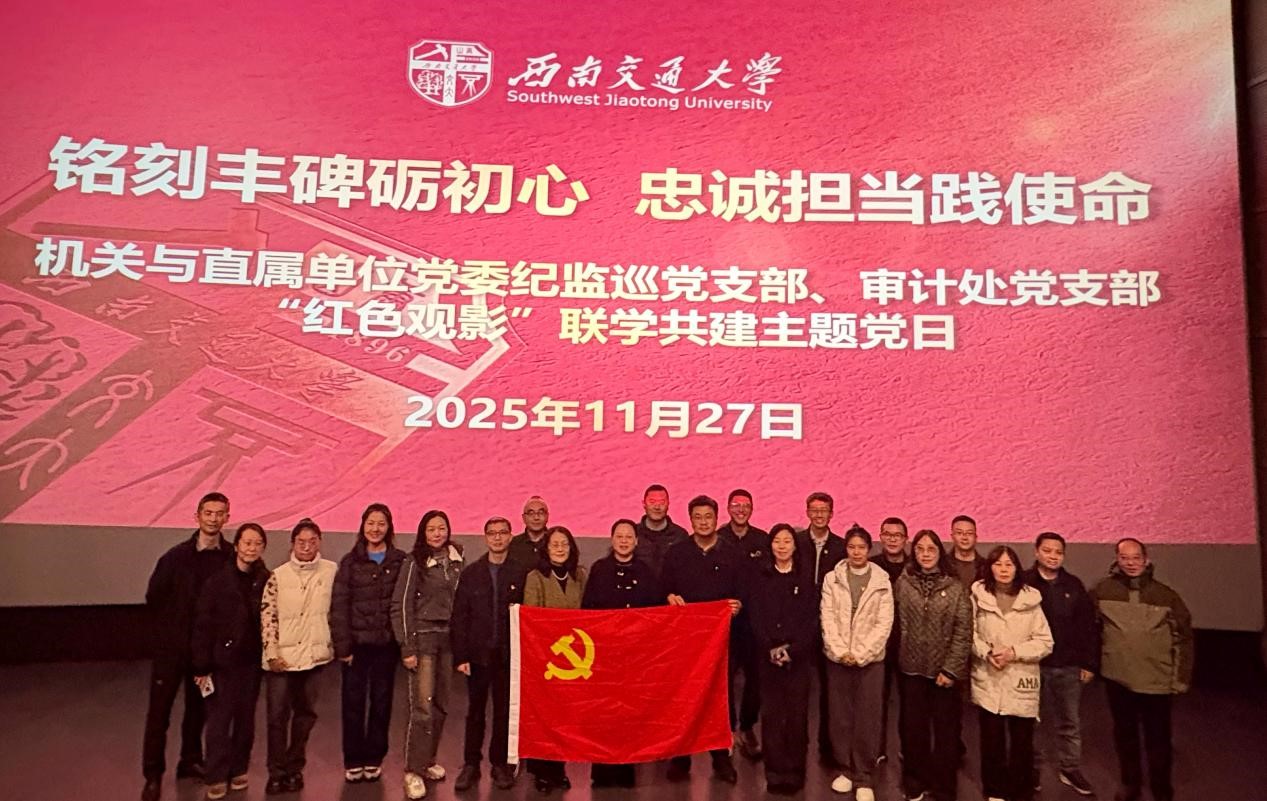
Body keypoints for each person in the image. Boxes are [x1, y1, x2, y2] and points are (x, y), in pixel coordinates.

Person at [141, 491, 235, 801]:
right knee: (159, 714)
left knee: (198, 711)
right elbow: (154, 598)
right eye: (208, 513)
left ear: (227, 517)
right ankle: (153, 775)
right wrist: (169, 633)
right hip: (171, 651)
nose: (213, 519)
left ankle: (190, 760)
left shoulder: (231, 557)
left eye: (219, 513)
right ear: (197, 516)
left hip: (205, 654)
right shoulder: (175, 557)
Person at [1091, 538, 1193, 801]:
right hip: (1117, 678)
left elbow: (1183, 637)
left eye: (1136, 557)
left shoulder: (1166, 596)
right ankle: (1130, 783)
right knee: (1125, 735)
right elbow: (1089, 628)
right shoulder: (1102, 591)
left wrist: (1180, 678)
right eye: (1124, 558)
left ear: (1146, 560)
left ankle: (1161, 788)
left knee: (1158, 738)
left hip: (1156, 680)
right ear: (1117, 560)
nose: (1131, 563)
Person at [660, 494, 745, 784]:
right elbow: (663, 589)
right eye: (698, 517)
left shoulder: (732, 553)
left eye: (708, 517)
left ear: (717, 518)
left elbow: (744, 591)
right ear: (690, 520)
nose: (703, 522)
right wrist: (669, 596)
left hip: (721, 641)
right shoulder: (677, 553)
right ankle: (680, 758)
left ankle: (721, 758)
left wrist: (738, 604)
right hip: (685, 642)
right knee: (684, 697)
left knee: (721, 698)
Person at [191, 523, 270, 800]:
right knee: (219, 720)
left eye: (257, 543)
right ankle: (215, 774)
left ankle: (239, 768)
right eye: (246, 542)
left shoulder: (266, 580)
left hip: (252, 663)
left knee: (246, 720)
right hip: (221, 663)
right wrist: (201, 665)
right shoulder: (217, 582)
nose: (251, 548)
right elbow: (202, 625)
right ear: (236, 546)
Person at [330, 503, 407, 784]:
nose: (376, 529)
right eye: (371, 523)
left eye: (381, 524)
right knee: (352, 703)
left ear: (389, 527)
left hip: (386, 646)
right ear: (363, 526)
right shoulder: (350, 562)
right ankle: (353, 759)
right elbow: (339, 606)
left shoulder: (400, 561)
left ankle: (374, 757)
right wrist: (343, 647)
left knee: (382, 703)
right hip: (356, 647)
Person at [582, 518, 661, 788]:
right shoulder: (599, 569)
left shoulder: (646, 572)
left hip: (635, 655)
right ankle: (602, 771)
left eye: (629, 537)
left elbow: (655, 613)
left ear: (636, 541)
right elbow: (588, 611)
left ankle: (627, 769)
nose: (624, 541)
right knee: (603, 713)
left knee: (629, 713)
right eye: (619, 536)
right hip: (604, 654)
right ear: (612, 539)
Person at [971, 546, 1054, 801]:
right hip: (989, 677)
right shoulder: (978, 596)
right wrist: (987, 652)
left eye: (1009, 564)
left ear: (1017, 568)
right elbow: (969, 632)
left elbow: (1045, 642)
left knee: (1022, 742)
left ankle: (1020, 792)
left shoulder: (1031, 600)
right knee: (991, 740)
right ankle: (994, 791)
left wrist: (1014, 652)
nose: (1004, 570)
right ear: (990, 568)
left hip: (1021, 678)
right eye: (998, 564)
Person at [260, 518, 337, 795]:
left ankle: (295, 768)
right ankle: (276, 772)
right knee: (276, 718)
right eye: (301, 542)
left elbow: (336, 612)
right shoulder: (278, 576)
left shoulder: (331, 571)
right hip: (281, 661)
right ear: (292, 544)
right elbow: (268, 616)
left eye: (312, 541)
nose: (306, 547)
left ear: (319, 542)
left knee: (305, 716)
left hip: (314, 658)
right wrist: (271, 654)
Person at [451, 517, 527, 792]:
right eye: (492, 533)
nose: (497, 538)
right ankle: (471, 764)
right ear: (485, 538)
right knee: (475, 711)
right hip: (477, 656)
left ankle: (500, 764)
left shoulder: (521, 573)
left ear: (510, 536)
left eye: (502, 533)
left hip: (508, 656)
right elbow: (460, 617)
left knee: (504, 711)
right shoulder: (472, 573)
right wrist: (461, 656)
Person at [895, 530, 972, 801]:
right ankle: (915, 782)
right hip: (911, 669)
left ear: (940, 552)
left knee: (945, 733)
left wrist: (950, 669)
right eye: (920, 549)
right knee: (913, 731)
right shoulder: (903, 583)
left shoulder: (955, 587)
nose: (925, 554)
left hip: (944, 674)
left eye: (931, 549)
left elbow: (963, 631)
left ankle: (943, 787)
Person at [394, 510, 465, 800]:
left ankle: (427, 761)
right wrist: (407, 647)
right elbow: (401, 605)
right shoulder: (414, 562)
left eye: (441, 528)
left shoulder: (458, 560)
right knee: (422, 708)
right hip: (422, 639)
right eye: (432, 529)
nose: (437, 533)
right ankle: (412, 770)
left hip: (448, 640)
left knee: (441, 706)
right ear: (423, 533)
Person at [1023, 532, 1098, 797]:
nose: (1053, 556)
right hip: (1032, 665)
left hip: (1068, 666)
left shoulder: (1073, 585)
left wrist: (1089, 664)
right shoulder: (1024, 583)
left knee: (1069, 722)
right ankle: (1031, 769)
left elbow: (1088, 627)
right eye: (1047, 551)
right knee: (1031, 721)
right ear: (1036, 552)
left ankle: (1070, 768)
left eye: (1058, 552)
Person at [821, 525, 893, 801]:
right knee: (840, 717)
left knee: (867, 718)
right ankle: (846, 770)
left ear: (869, 549)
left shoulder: (881, 580)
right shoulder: (832, 578)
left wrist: (861, 654)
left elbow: (884, 623)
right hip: (838, 658)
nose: (856, 552)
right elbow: (827, 617)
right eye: (851, 547)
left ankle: (864, 776)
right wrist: (841, 652)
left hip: (870, 661)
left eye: (861, 547)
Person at [748, 523, 816, 795]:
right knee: (773, 718)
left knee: (797, 718)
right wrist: (771, 648)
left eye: (787, 541)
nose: (782, 546)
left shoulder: (805, 580)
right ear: (770, 545)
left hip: (798, 659)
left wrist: (792, 650)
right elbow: (756, 617)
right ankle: (775, 773)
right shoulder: (760, 578)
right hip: (768, 658)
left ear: (795, 546)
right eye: (777, 541)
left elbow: (810, 621)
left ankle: (795, 772)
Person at [523, 526, 589, 794]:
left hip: (574, 660)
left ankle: (559, 769)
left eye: (564, 544)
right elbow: (531, 616)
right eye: (555, 544)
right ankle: (541, 771)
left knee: (564, 717)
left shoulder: (580, 575)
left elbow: (587, 613)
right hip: (544, 657)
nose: (560, 549)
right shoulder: (535, 577)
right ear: (546, 549)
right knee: (542, 716)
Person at [717, 488, 769, 760]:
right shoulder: (718, 539)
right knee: (723, 679)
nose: (740, 509)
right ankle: (727, 729)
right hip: (724, 623)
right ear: (728, 508)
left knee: (756, 679)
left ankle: (747, 726)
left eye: (745, 505)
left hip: (754, 622)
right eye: (735, 505)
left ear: (752, 508)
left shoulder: (762, 540)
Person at [795, 491, 846, 765]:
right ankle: (798, 745)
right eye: (814, 510)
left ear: (831, 514)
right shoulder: (796, 542)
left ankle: (829, 747)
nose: (818, 515)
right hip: (800, 622)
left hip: (830, 623)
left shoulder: (841, 546)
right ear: (807, 512)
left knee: (830, 690)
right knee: (799, 687)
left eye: (823, 510)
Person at [871, 516, 909, 764]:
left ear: (905, 539)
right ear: (881, 537)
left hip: (909, 643)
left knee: (910, 701)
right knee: (877, 698)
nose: (893, 539)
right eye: (888, 534)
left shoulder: (916, 566)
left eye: (898, 535)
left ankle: (909, 748)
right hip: (879, 642)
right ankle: (877, 748)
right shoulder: (872, 566)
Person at [633, 483, 689, 575]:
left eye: (662, 502)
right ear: (644, 504)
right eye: (652, 502)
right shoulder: (633, 533)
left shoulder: (680, 535)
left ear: (668, 504)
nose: (657, 507)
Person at [508, 496, 550, 570]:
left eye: (541, 512)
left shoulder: (555, 542)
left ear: (547, 516)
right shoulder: (513, 544)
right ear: (523, 518)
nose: (536, 517)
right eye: (531, 513)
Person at [949, 515, 986, 588]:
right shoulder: (943, 565)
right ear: (952, 537)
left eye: (969, 533)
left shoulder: (986, 566)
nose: (964, 537)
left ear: (975, 537)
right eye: (959, 533)